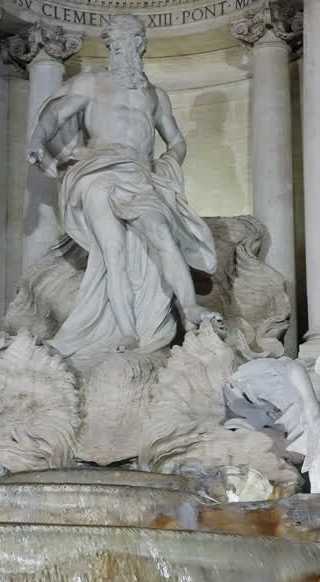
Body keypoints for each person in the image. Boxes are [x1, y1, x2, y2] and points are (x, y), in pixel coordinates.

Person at [26, 14, 216, 359]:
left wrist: (168, 165)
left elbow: (175, 140)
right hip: (99, 171)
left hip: (139, 174)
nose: (124, 48)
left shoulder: (155, 94)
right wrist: (38, 141)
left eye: (131, 41)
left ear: (141, 45)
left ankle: (190, 310)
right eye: (117, 42)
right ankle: (128, 332)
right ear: (110, 46)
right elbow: (54, 116)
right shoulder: (92, 83)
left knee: (161, 233)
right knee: (112, 254)